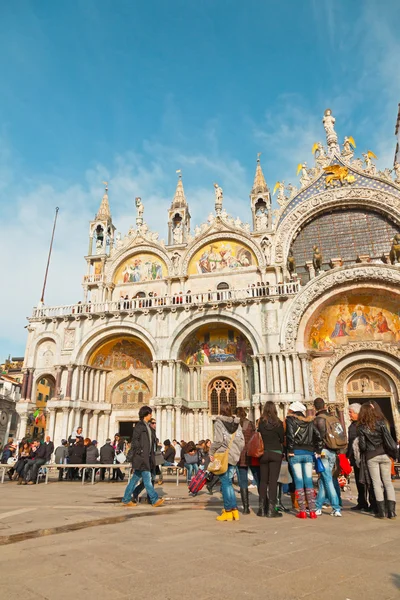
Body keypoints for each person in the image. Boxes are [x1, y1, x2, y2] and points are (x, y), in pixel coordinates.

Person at [357, 402, 397, 519]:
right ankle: (392, 512)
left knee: (376, 484)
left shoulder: (361, 427)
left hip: (371, 456)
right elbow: (388, 440)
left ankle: (381, 512)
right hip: (384, 455)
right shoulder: (381, 424)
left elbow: (363, 446)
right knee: (388, 483)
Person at [121, 406, 164, 507]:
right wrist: (140, 452)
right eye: (150, 414)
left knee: (135, 479)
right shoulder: (139, 426)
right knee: (147, 479)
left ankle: (127, 498)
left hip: (147, 457)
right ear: (146, 414)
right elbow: (135, 441)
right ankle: (154, 499)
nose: (151, 415)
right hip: (141, 458)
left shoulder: (148, 427)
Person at [209, 400, 245, 522]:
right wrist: (236, 452)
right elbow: (242, 441)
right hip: (234, 456)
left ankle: (228, 511)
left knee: (225, 484)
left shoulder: (219, 422)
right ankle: (234, 511)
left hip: (224, 456)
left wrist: (211, 452)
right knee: (229, 482)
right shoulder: (237, 423)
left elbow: (218, 440)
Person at [286, 401, 322, 519]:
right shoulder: (310, 421)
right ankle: (312, 511)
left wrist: (290, 450)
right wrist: (317, 450)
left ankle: (302, 511)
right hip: (308, 454)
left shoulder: (290, 420)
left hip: (295, 453)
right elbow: (319, 437)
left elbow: (290, 435)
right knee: (309, 481)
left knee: (299, 482)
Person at [313, 398, 343, 517]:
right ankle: (318, 506)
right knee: (324, 480)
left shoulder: (317, 420)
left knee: (327, 480)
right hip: (333, 451)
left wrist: (317, 451)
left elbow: (317, 438)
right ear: (325, 405)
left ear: (315, 407)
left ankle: (336, 507)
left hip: (323, 452)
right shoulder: (334, 418)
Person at [258, 401, 285, 518]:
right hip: (275, 453)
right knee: (273, 481)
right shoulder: (278, 423)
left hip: (263, 454)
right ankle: (271, 510)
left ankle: (261, 509)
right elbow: (281, 438)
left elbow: (258, 435)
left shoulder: (261, 423)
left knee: (263, 481)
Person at [347, 403, 371, 512]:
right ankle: (362, 502)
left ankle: (370, 502)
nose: (349, 414)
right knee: (358, 480)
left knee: (366, 480)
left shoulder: (361, 425)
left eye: (351, 412)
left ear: (357, 413)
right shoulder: (353, 425)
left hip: (363, 456)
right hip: (356, 457)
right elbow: (350, 443)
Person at [235, 407, 255, 515]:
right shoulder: (250, 424)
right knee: (258, 478)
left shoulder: (235, 426)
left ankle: (246, 508)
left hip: (239, 456)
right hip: (251, 455)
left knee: (242, 482)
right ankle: (263, 506)